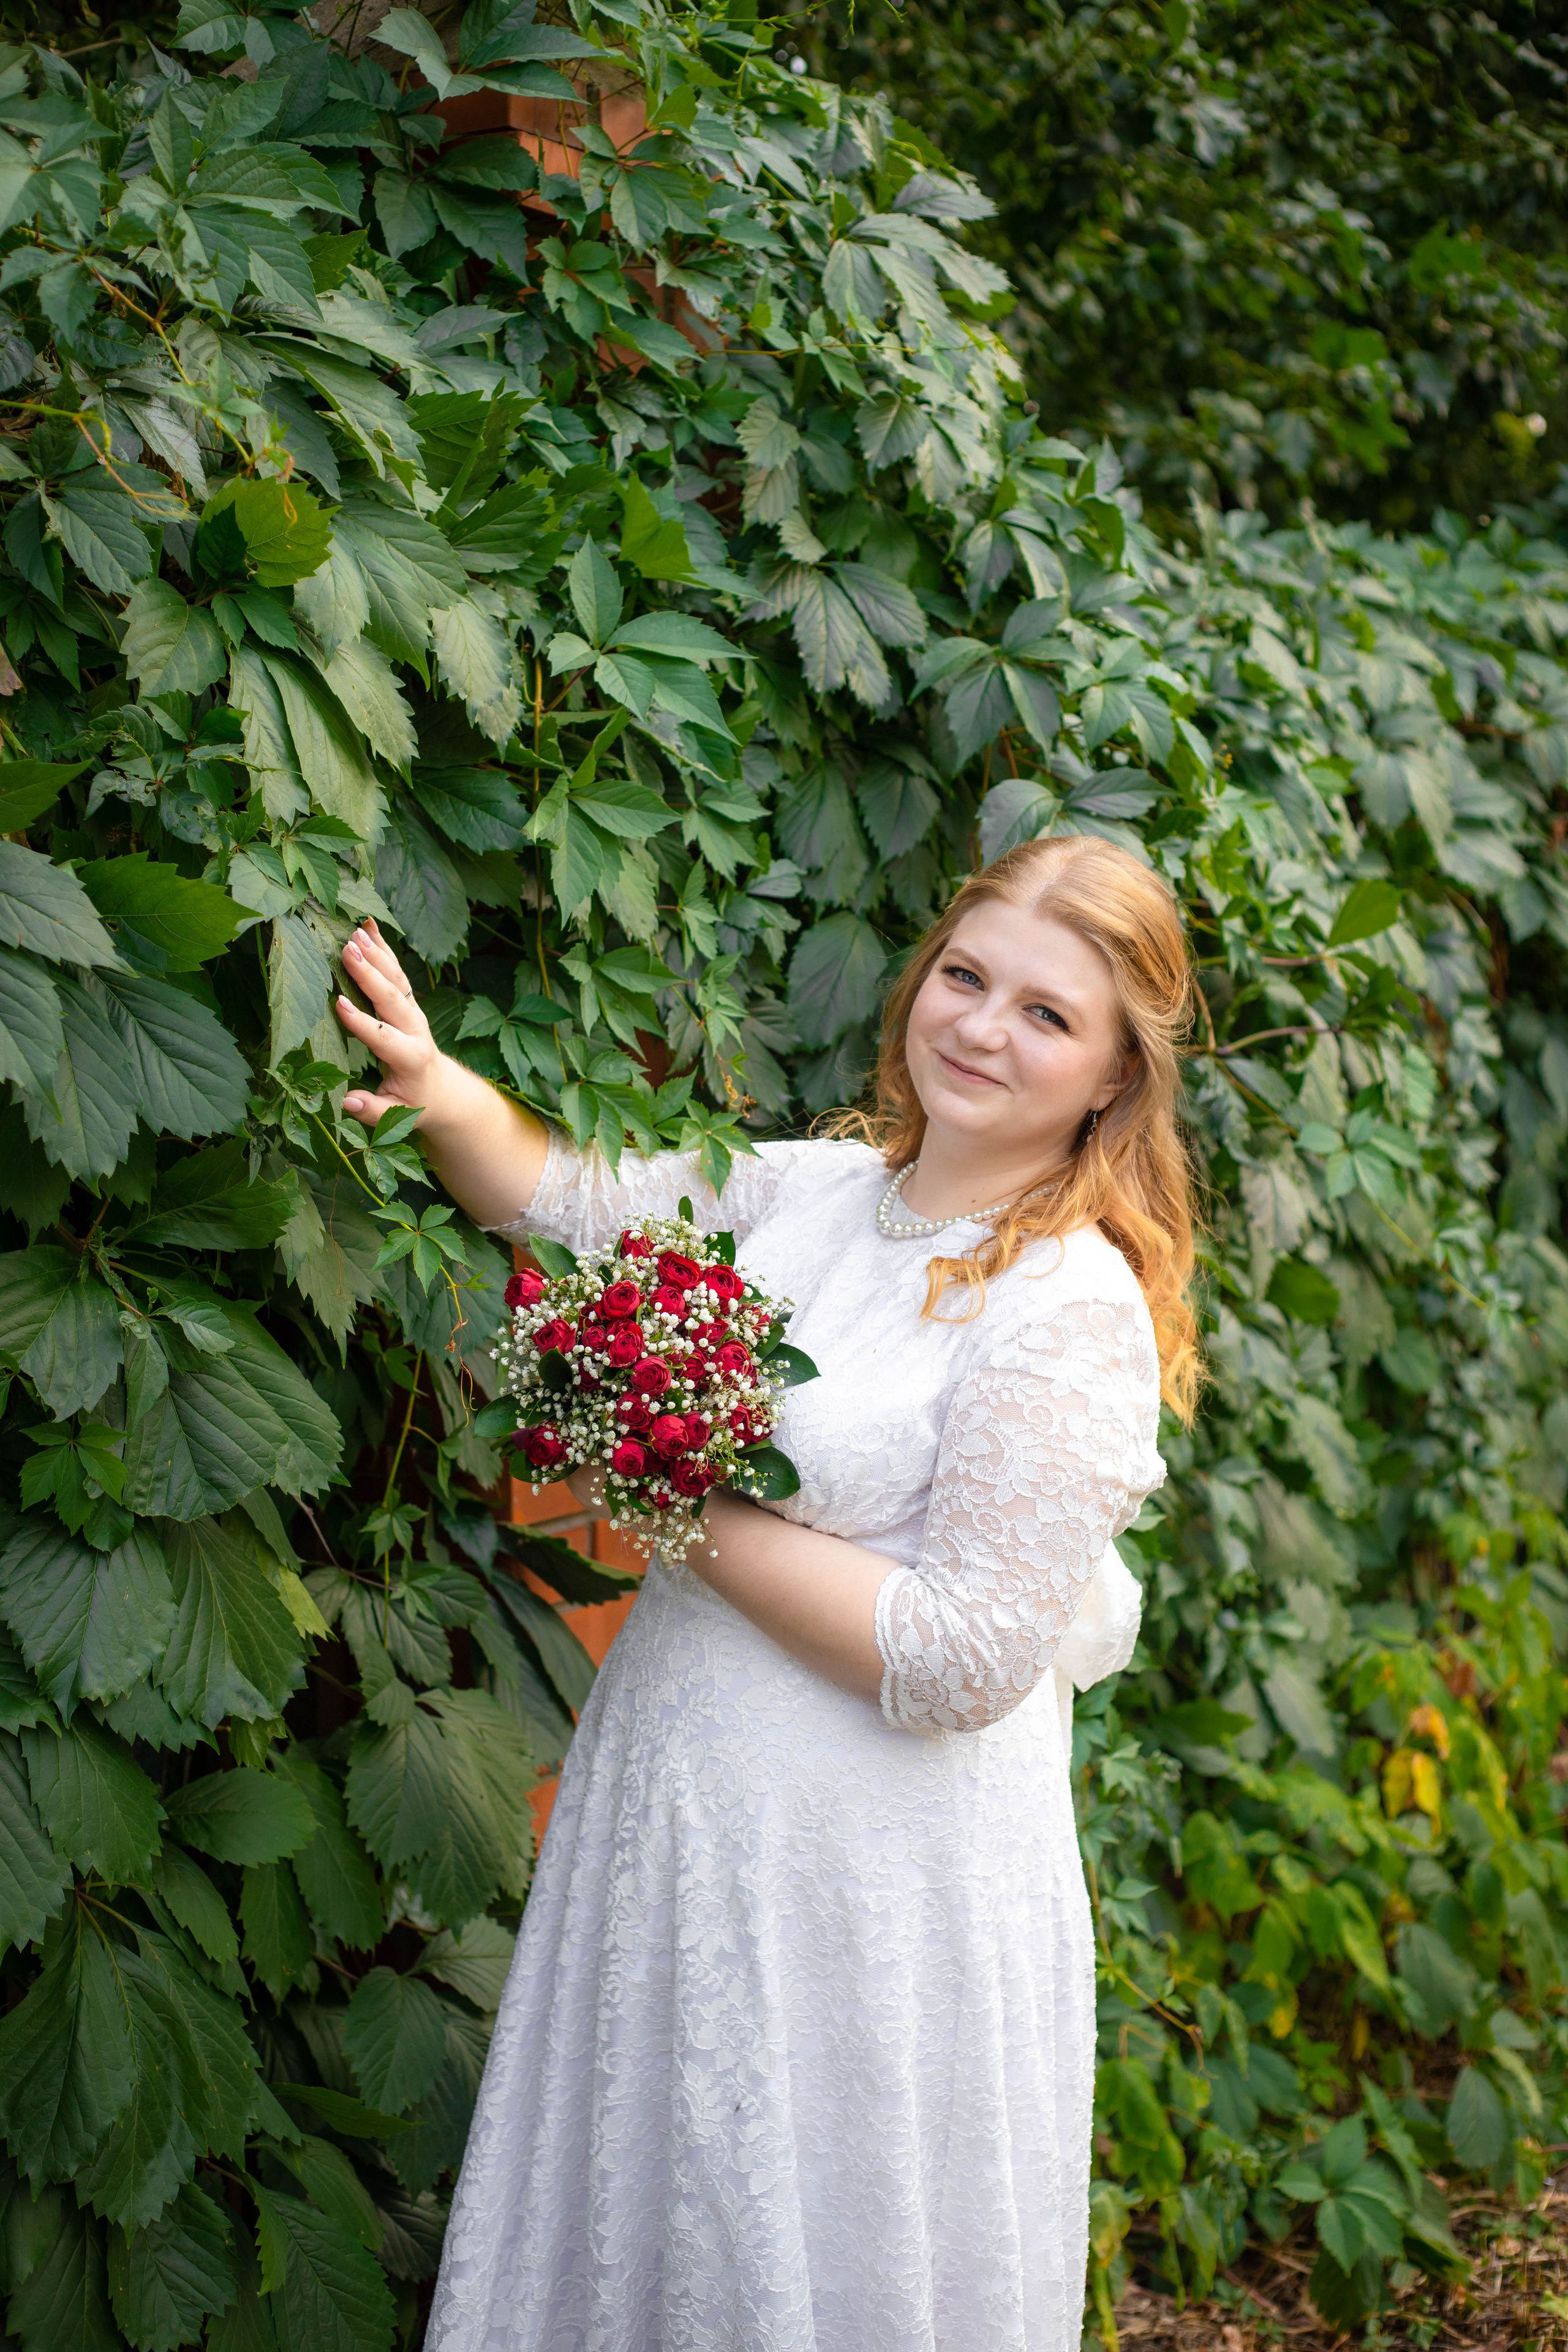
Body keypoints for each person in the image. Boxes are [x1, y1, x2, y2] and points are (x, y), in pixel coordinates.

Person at [334, 833, 1201, 2352]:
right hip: (674, 1836)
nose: (982, 1028)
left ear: (1117, 1078)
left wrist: (668, 1505)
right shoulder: (805, 1192)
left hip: (868, 1901)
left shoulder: (1066, 1304)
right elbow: (558, 1196)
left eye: (1048, 1016)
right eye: (965, 974)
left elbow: (957, 1660)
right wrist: (434, 1086)